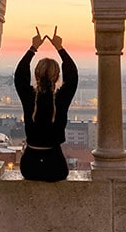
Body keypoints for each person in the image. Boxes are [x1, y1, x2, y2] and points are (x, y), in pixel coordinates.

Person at [14, 26, 78, 182]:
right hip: (55, 166)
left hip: (29, 166)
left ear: (36, 74)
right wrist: (59, 47)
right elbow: (73, 77)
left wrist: (33, 48)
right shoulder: (60, 99)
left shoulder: (30, 97)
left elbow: (20, 75)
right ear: (57, 77)